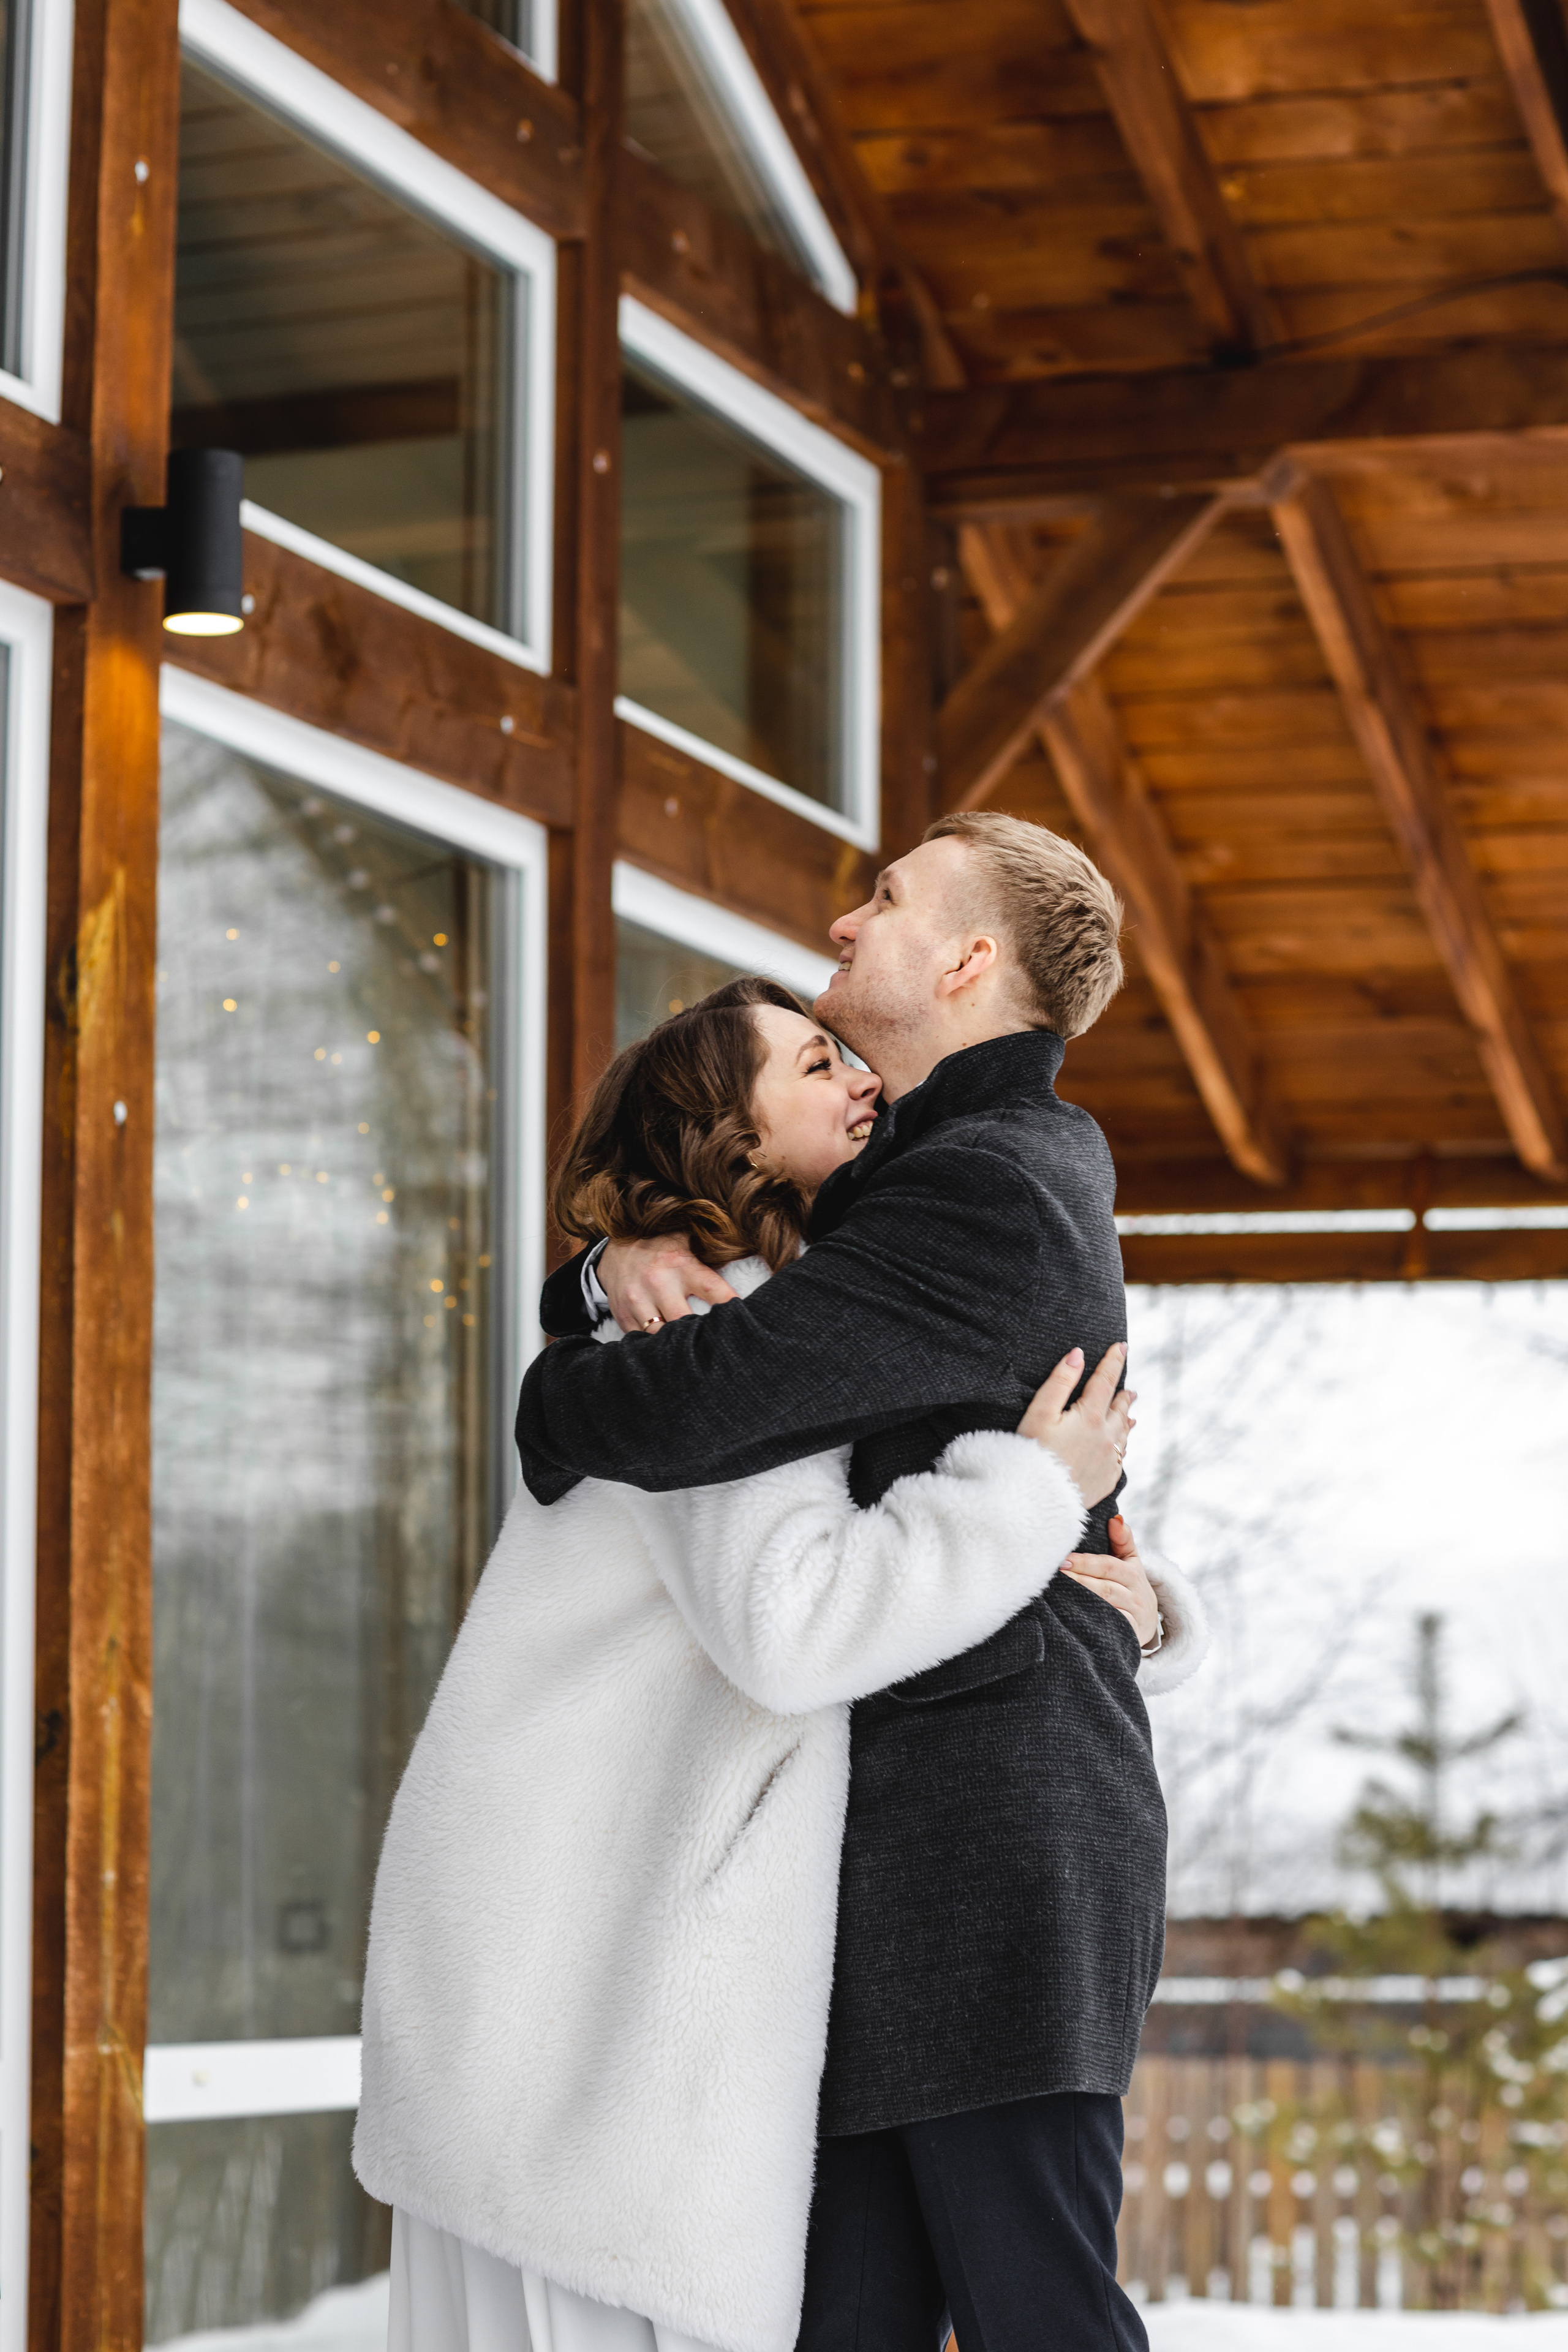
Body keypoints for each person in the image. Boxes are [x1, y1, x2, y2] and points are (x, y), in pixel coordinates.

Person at [355, 976, 1207, 2352]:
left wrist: (1128, 1601)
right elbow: (795, 1627)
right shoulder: (711, 1326)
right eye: (817, 1065)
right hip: (585, 1974)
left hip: (593, 1958)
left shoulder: (778, 1318)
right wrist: (1030, 1489)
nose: (861, 1079)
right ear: (733, 1137)